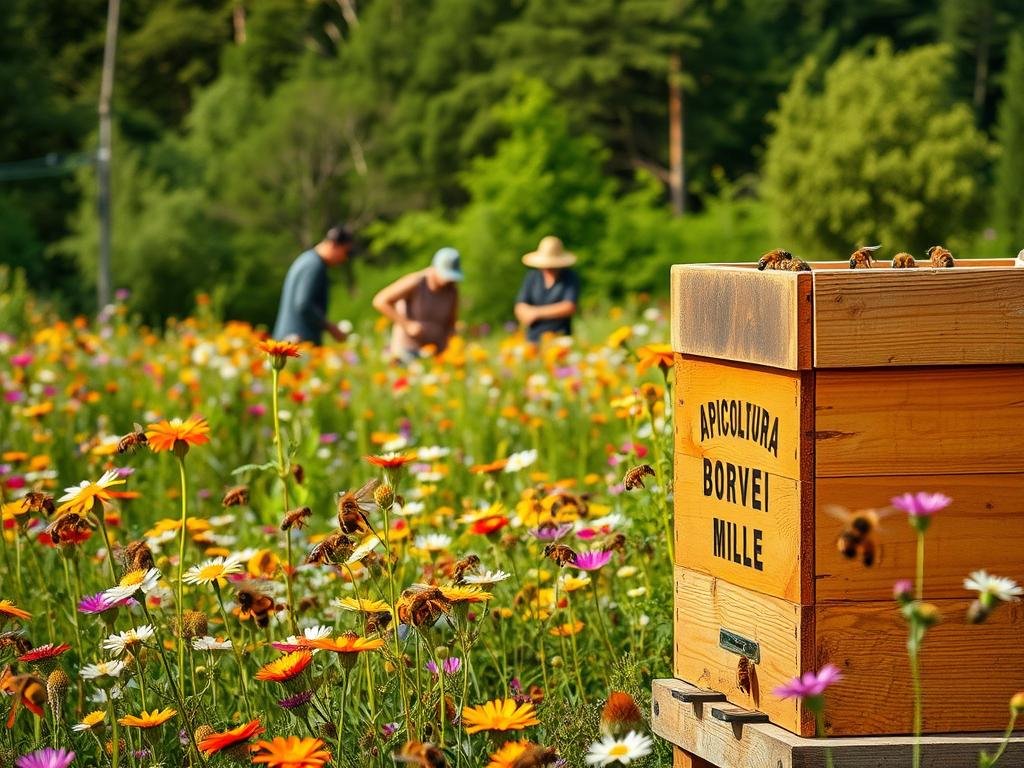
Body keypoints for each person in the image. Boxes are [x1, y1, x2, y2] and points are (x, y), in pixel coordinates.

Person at [372, 247, 463, 361]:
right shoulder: (416, 282)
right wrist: (407, 324)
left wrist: (454, 346)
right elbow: (380, 301)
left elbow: (451, 322)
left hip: (436, 353)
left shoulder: (452, 290)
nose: (447, 281)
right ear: (434, 268)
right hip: (408, 351)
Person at [272, 224, 354, 345]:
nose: (344, 258)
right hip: (297, 341)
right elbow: (304, 304)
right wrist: (331, 328)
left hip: (289, 338)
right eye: (345, 252)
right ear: (334, 245)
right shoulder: (314, 266)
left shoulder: (307, 259)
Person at [514, 235, 580, 343]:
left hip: (560, 336)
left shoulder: (569, 277)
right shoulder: (532, 277)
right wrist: (525, 313)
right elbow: (520, 304)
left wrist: (537, 313)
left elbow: (569, 306)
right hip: (533, 337)